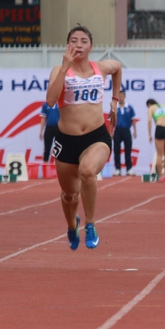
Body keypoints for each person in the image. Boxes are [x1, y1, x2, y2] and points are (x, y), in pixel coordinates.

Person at [46, 25, 122, 251]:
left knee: (88, 172)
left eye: (83, 41)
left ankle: (90, 223)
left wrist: (115, 100)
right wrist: (64, 69)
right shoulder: (59, 70)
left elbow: (118, 68)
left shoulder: (101, 68)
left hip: (96, 136)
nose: (78, 45)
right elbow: (50, 101)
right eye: (74, 41)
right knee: (69, 195)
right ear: (67, 45)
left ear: (91, 46)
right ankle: (72, 225)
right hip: (66, 141)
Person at [146, 98, 165, 182]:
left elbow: (149, 121)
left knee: (159, 154)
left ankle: (161, 176)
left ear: (149, 104)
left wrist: (149, 134)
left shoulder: (151, 108)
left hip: (160, 128)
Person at [112, 89, 137, 176]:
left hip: (127, 130)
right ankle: (117, 169)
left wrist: (135, 131)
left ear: (124, 96)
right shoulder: (115, 107)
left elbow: (133, 120)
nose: (120, 98)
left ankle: (129, 169)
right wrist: (111, 132)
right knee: (116, 150)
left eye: (122, 96)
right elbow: (111, 121)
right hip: (117, 130)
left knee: (128, 150)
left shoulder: (129, 107)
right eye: (119, 96)